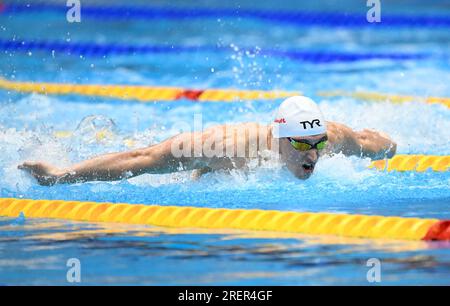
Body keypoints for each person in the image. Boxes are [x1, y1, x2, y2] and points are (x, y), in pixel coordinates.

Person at [19, 96, 397, 185]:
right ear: (279, 138)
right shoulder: (229, 146)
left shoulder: (330, 138)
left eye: (317, 142)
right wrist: (61, 174)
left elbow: (370, 141)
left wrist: (392, 146)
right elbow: (143, 158)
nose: (313, 154)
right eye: (300, 144)